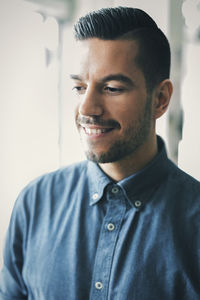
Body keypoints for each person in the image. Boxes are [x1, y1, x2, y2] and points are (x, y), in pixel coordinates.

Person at [0, 6, 200, 300]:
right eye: (79, 87)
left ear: (160, 99)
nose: (87, 109)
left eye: (112, 88)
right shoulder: (34, 204)